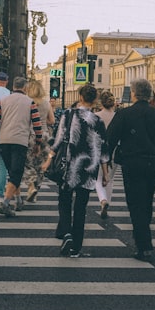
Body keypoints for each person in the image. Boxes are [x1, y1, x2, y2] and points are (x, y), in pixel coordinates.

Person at [105, 78, 155, 261]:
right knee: (147, 200)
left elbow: (110, 138)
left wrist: (105, 161)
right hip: (154, 164)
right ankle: (143, 239)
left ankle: (144, 245)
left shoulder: (125, 114)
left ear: (134, 94)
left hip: (132, 163)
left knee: (135, 203)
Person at [44, 84, 108, 258]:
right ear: (95, 100)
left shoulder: (68, 115)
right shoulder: (98, 121)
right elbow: (103, 149)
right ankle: (76, 248)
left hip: (69, 166)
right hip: (89, 168)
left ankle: (67, 234)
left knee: (64, 201)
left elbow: (57, 140)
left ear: (80, 97)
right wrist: (105, 173)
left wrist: (49, 159)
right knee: (81, 207)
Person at [0, 76, 43, 216]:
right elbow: (37, 125)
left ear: (13, 86)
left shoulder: (4, 100)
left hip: (4, 141)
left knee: (13, 172)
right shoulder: (30, 102)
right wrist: (38, 143)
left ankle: (18, 200)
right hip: (20, 142)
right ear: (25, 88)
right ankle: (5, 203)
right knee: (16, 174)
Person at [22, 78, 56, 204]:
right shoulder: (46, 103)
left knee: (27, 162)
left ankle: (31, 185)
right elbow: (52, 121)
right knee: (41, 165)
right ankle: (36, 190)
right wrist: (43, 121)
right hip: (45, 135)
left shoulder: (28, 102)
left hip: (30, 135)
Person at [93, 90, 117, 217]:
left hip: (98, 150)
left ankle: (103, 200)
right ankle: (107, 202)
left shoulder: (96, 116)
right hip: (113, 151)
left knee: (98, 179)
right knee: (110, 179)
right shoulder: (118, 116)